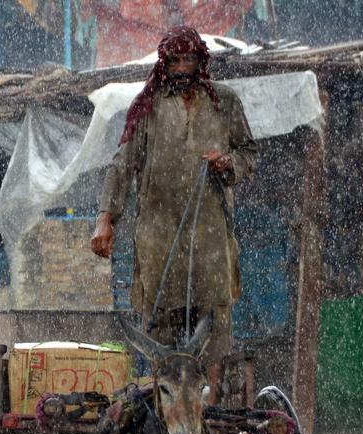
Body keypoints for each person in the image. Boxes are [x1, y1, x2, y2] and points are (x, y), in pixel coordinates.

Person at [90, 25, 257, 406]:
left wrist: (228, 163)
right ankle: (163, 407)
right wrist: (105, 218)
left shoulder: (224, 103)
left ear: (201, 62)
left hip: (210, 236)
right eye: (176, 60)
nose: (183, 67)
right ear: (164, 64)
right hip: (158, 238)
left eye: (190, 59)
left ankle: (208, 407)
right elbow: (121, 165)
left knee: (212, 323)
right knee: (160, 331)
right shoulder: (146, 107)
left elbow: (249, 154)